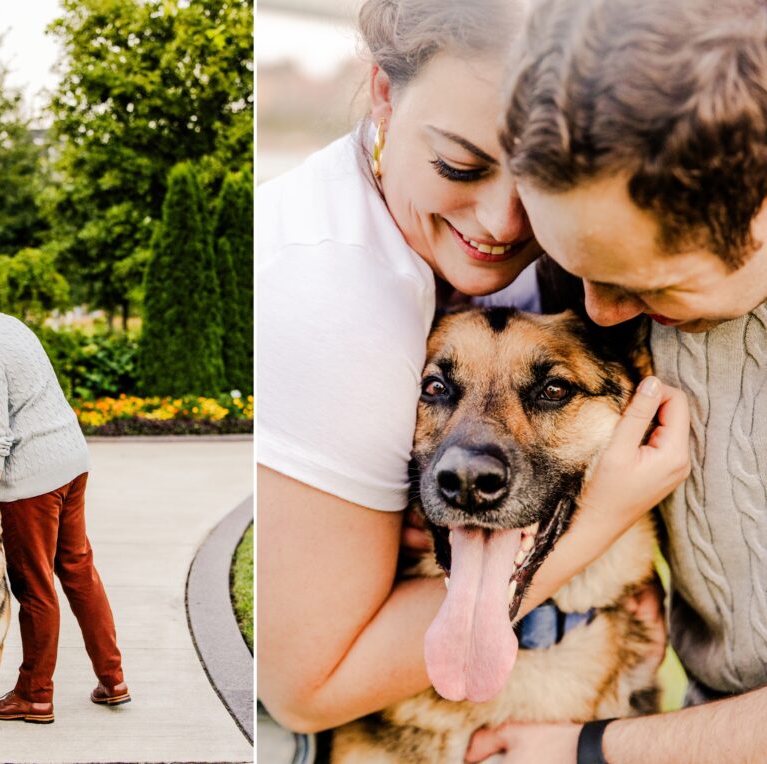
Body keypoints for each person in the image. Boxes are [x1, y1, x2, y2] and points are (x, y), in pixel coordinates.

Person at [257, 0, 689, 736]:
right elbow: (305, 688)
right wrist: (603, 519)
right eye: (460, 165)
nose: (502, 223)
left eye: (539, 181)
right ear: (384, 97)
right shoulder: (332, 293)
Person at [462, 0, 767, 761]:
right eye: (575, 270)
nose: (596, 311)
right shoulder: (607, 266)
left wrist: (591, 749)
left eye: (647, 288)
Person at [0, 260, 128, 724]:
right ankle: (113, 679)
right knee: (78, 571)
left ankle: (35, 694)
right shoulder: (11, 328)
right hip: (71, 462)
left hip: (34, 482)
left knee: (34, 588)